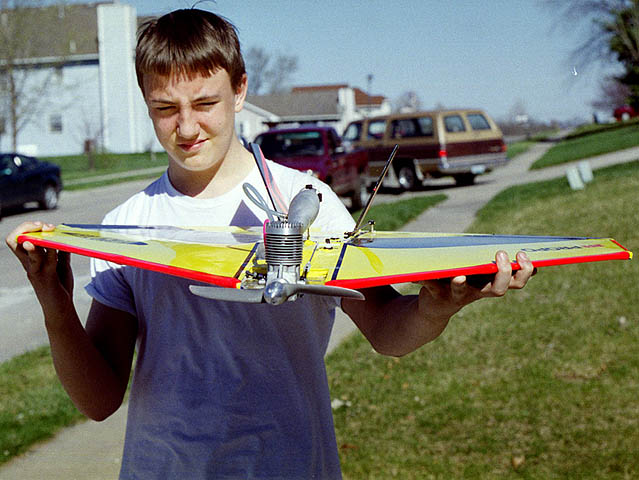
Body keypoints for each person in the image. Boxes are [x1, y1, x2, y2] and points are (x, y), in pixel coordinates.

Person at [5, 8, 535, 479]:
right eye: (165, 108)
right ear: (145, 101)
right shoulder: (128, 224)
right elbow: (98, 401)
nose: (186, 127)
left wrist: (434, 308)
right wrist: (54, 300)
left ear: (240, 90)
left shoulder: (309, 202)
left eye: (205, 102)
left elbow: (385, 331)